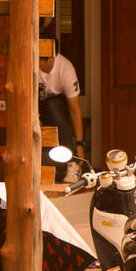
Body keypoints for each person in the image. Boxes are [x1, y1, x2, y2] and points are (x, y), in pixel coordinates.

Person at [39, 38, 86, 183]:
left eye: (43, 59)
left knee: (53, 106)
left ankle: (72, 164)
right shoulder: (29, 64)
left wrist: (80, 144)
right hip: (35, 108)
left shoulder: (66, 68)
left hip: (57, 110)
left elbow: (74, 110)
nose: (39, 62)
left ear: (53, 58)